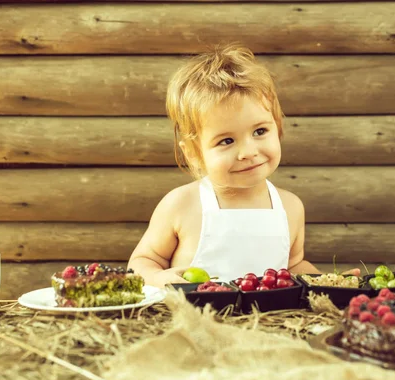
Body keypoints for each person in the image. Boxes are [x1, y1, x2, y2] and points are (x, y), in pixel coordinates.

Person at [128, 44, 359, 287]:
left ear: (277, 127)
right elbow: (143, 260)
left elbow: (292, 267)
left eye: (260, 131)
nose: (248, 152)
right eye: (226, 141)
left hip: (267, 322)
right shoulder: (181, 204)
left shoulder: (291, 207)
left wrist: (328, 281)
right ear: (194, 153)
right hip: (197, 320)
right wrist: (157, 276)